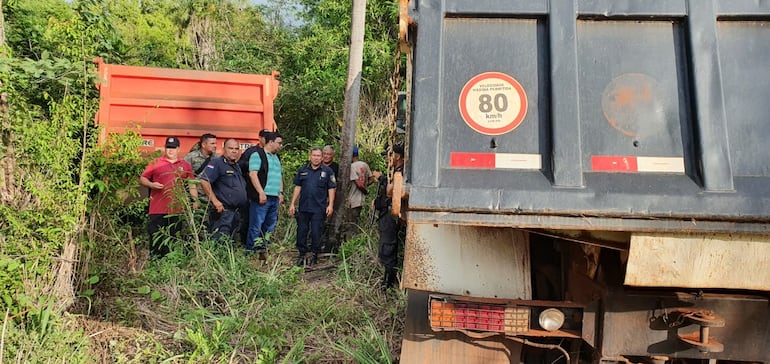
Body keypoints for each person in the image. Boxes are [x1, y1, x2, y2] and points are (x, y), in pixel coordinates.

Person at [139, 136, 198, 257]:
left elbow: (192, 184)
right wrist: (151, 184)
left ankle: (172, 266)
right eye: (168, 148)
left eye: (173, 148)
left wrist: (195, 201)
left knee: (174, 239)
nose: (170, 150)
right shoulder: (156, 163)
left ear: (178, 149)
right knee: (156, 239)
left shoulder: (185, 165)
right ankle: (155, 264)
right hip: (157, 210)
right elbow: (142, 178)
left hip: (177, 210)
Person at [289, 147, 336, 267]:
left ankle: (315, 254)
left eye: (318, 156)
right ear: (310, 156)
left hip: (319, 208)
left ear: (322, 158)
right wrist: (292, 203)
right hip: (304, 207)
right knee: (302, 232)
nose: (316, 158)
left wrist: (330, 205)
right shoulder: (303, 170)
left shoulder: (327, 171)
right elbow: (297, 187)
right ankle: (302, 254)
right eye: (314, 155)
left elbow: (331, 188)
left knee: (316, 232)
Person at [199, 139, 248, 242]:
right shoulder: (217, 163)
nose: (234, 151)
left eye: (236, 149)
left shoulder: (236, 166)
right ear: (224, 149)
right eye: (231, 148)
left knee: (230, 242)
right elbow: (204, 181)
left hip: (236, 213)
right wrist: (215, 201)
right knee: (220, 241)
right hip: (223, 212)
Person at [247, 131, 284, 257]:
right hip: (262, 197)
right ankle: (251, 252)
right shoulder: (257, 155)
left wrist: (280, 192)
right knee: (256, 225)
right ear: (271, 142)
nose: (281, 146)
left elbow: (279, 176)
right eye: (279, 143)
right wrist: (261, 192)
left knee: (269, 226)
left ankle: (263, 250)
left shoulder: (276, 158)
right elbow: (253, 174)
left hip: (274, 197)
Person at [374, 144, 405, 290]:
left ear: (397, 156)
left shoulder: (403, 172)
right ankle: (387, 279)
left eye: (389, 156)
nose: (387, 159)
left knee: (388, 246)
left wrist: (382, 179)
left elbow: (391, 192)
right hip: (385, 213)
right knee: (385, 246)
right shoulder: (394, 171)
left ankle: (388, 283)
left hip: (391, 216)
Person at [237, 129, 271, 246]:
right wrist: (252, 165)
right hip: (251, 191)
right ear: (260, 138)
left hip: (268, 193)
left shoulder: (272, 154)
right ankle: (246, 243)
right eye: (265, 137)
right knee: (248, 219)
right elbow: (240, 166)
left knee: (266, 222)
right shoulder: (251, 152)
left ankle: (263, 245)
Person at [343, 146, 374, 240]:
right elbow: (372, 179)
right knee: (355, 221)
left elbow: (358, 184)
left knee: (350, 224)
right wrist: (366, 185)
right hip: (360, 200)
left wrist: (365, 190)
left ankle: (350, 241)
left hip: (353, 200)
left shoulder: (351, 167)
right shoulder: (364, 165)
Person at [184, 133, 218, 206]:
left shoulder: (217, 159)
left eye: (215, 143)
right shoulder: (191, 157)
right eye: (212, 143)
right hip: (195, 198)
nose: (215, 146)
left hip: (210, 197)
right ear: (203, 145)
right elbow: (183, 175)